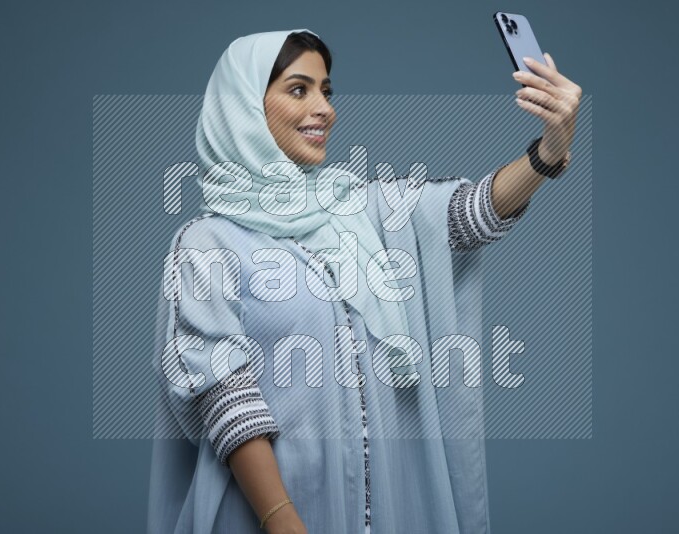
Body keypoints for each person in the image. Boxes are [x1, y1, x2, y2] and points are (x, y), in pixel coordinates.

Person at [147, 28, 581, 534]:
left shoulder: (357, 211)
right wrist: (282, 521)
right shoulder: (207, 244)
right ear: (241, 106)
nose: (324, 109)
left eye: (326, 91)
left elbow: (467, 215)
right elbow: (224, 396)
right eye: (298, 89)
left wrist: (547, 153)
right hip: (269, 515)